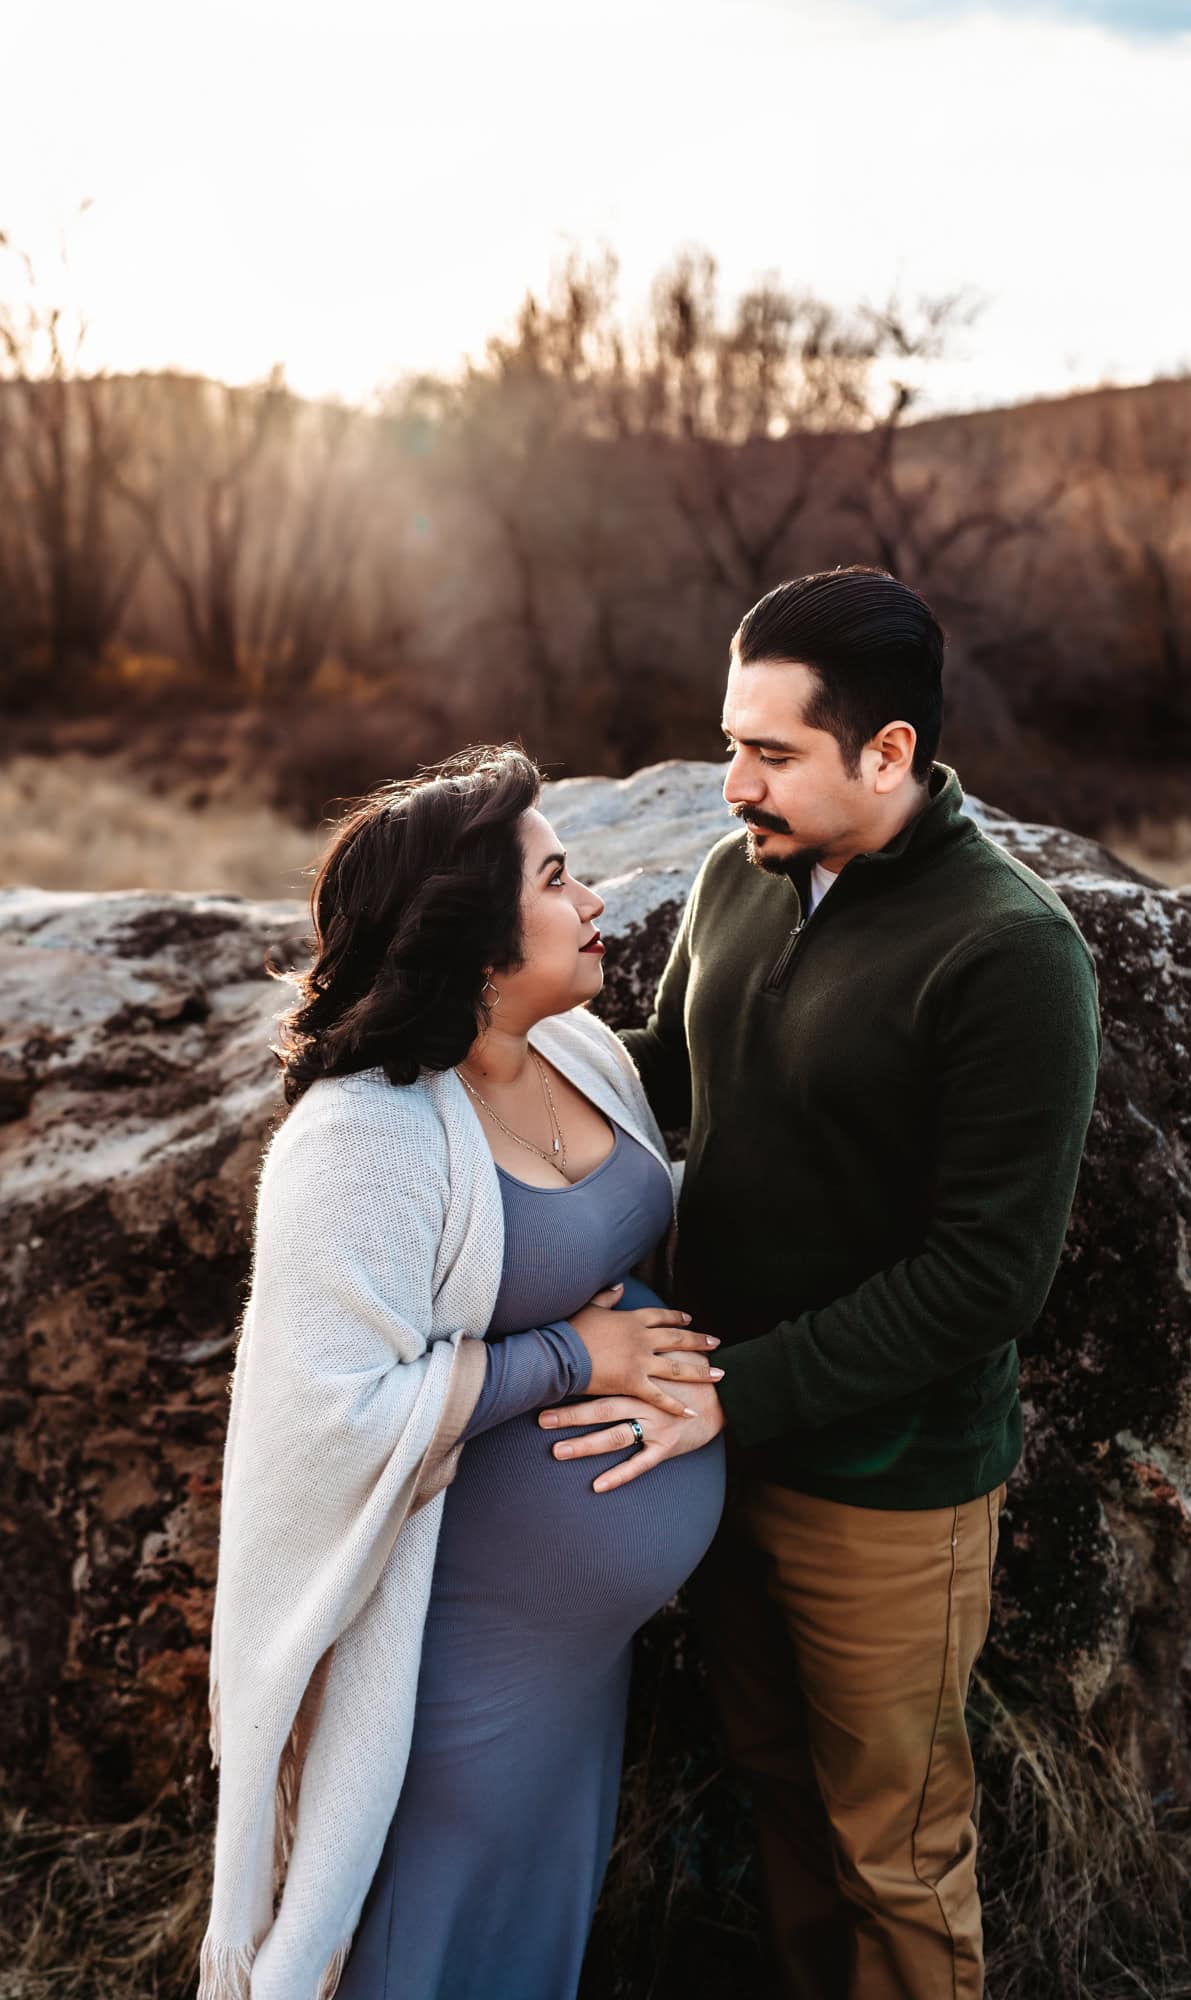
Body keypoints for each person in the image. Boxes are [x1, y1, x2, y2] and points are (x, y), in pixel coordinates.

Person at [539, 567, 1103, 2000]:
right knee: (776, 1790)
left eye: (770, 753)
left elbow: (985, 1277)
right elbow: (671, 1086)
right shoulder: (742, 878)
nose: (732, 785)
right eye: (731, 742)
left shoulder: (1011, 953)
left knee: (895, 1854)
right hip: (716, 1451)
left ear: (889, 753)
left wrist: (729, 1393)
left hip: (887, 1484)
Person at [198, 746, 726, 2000]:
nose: (594, 898)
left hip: (574, 1653)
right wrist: (573, 1358)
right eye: (558, 877)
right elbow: (337, 1411)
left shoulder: (580, 1049)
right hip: (452, 1648)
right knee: (421, 1938)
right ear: (479, 942)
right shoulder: (364, 1135)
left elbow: (629, 1231)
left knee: (526, 1925)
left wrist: (697, 1369)